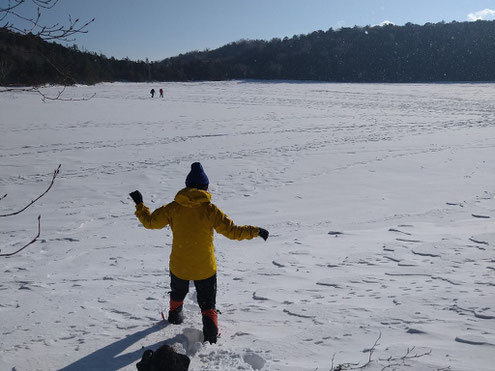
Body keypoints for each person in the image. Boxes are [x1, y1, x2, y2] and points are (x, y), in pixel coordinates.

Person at [129, 162, 269, 344]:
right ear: (205, 187)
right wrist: (256, 231)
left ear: (187, 186)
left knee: (178, 293)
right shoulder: (210, 210)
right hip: (205, 267)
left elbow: (150, 222)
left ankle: (175, 318)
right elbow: (233, 231)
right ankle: (211, 337)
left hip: (180, 266)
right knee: (207, 303)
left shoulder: (173, 208)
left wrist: (140, 204)